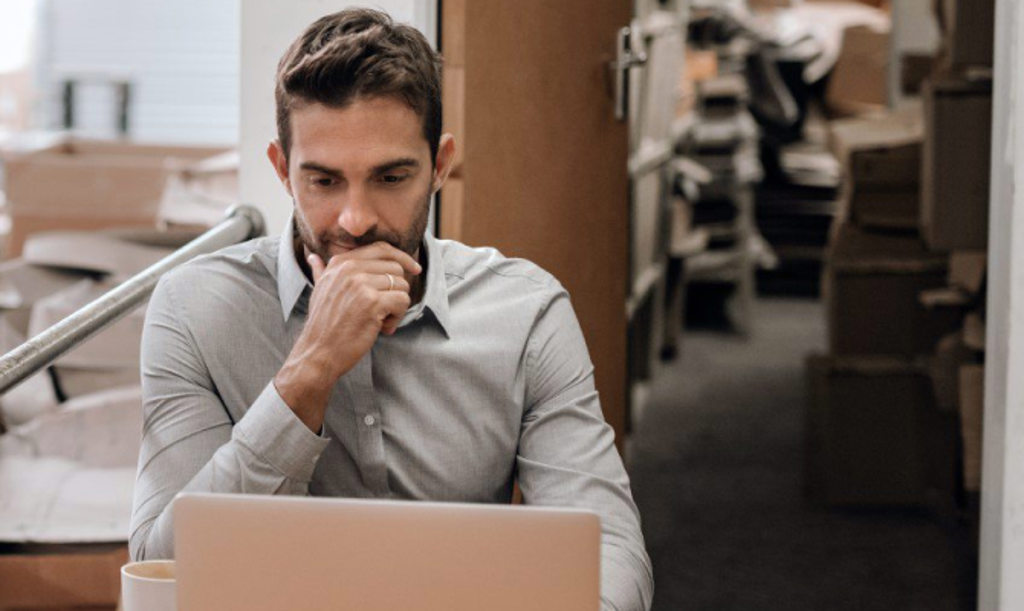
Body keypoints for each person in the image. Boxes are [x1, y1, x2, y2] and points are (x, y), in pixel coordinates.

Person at [129, 7, 653, 610]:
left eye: (390, 177)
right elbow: (161, 571)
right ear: (282, 170)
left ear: (440, 165)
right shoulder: (193, 308)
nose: (356, 219)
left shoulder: (528, 313)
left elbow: (608, 551)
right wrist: (310, 370)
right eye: (324, 182)